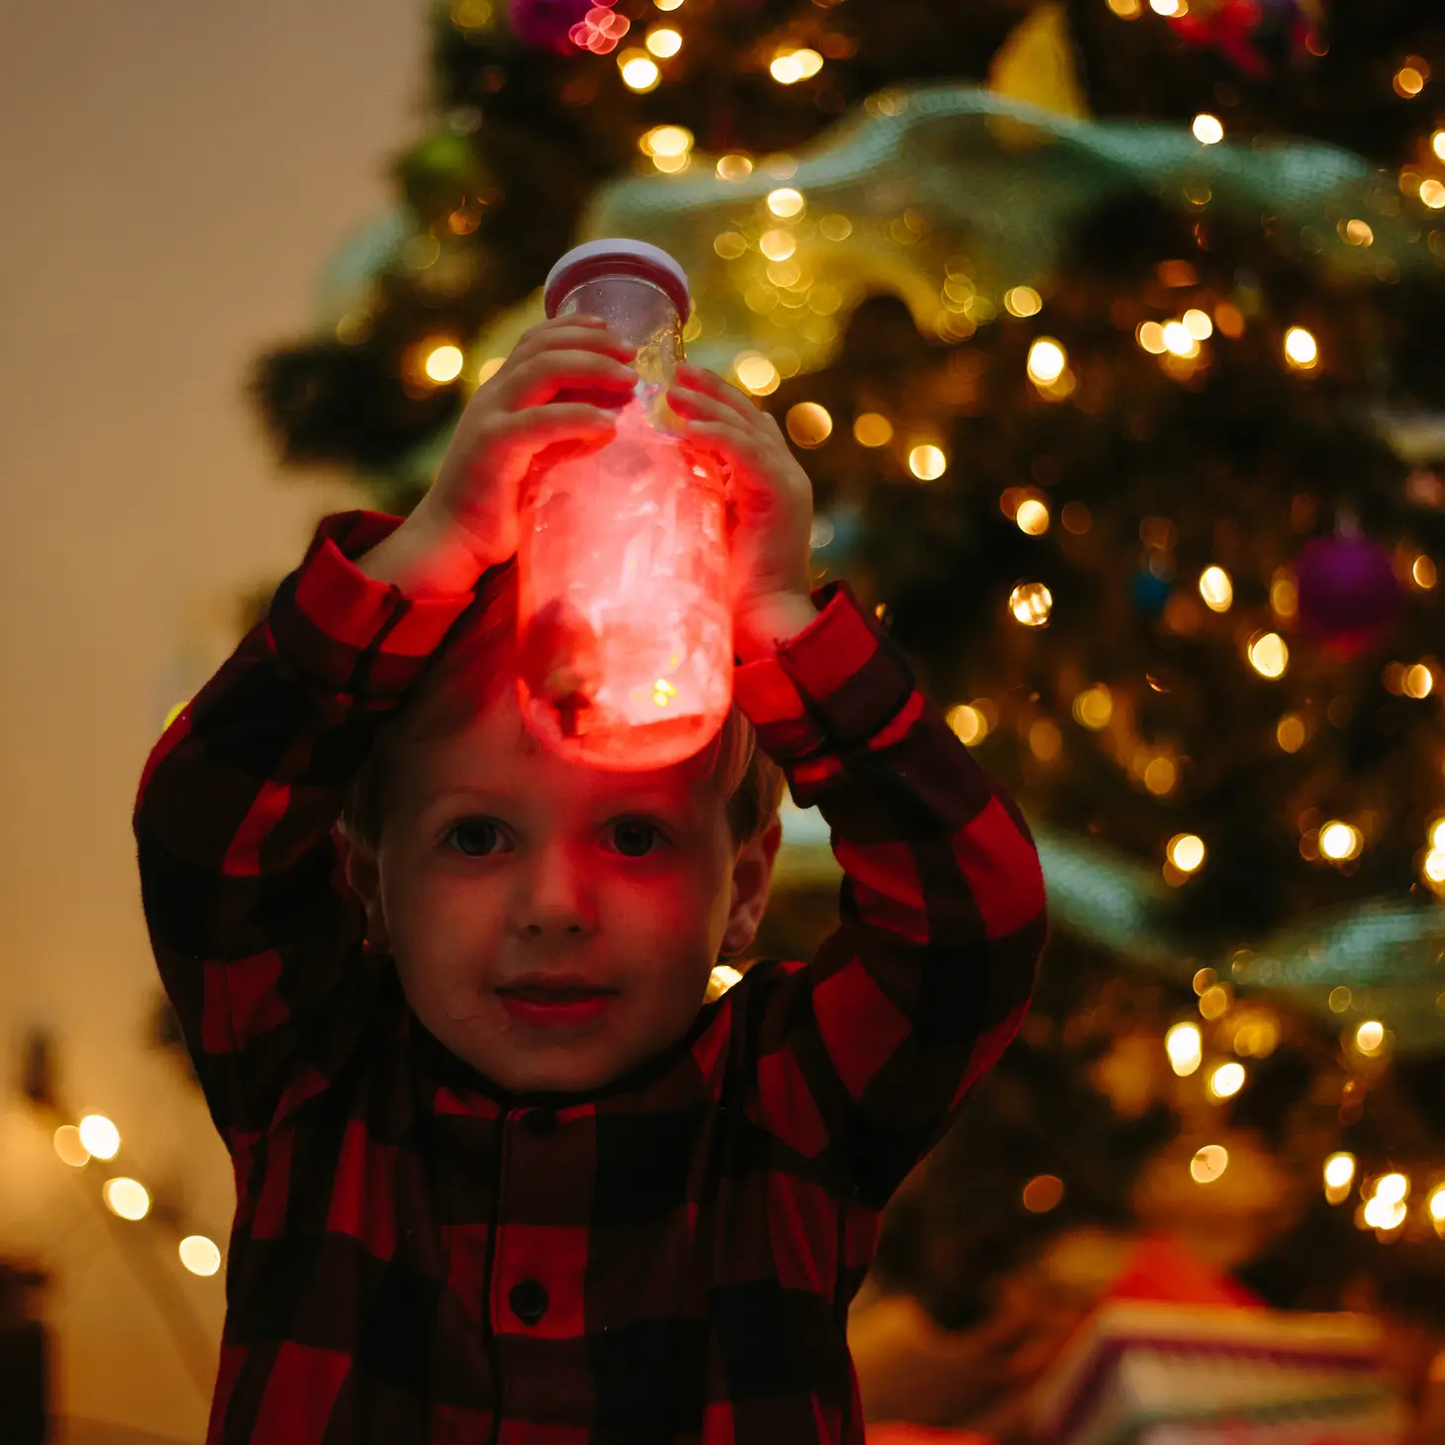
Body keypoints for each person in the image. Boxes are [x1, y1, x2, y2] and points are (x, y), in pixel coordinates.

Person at [134, 314, 1048, 1444]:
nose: (555, 905)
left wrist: (779, 624)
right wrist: (435, 546)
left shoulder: (785, 1105)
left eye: (632, 837)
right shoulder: (314, 1068)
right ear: (368, 871)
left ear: (747, 880)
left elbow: (975, 923)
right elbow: (203, 821)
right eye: (476, 838)